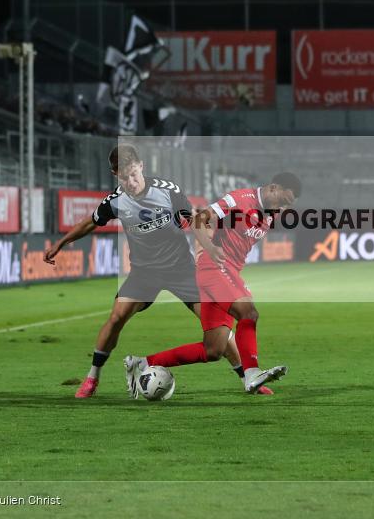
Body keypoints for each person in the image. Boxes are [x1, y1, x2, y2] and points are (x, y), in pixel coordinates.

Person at [44, 144, 255, 398]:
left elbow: (194, 220)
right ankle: (92, 378)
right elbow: (90, 222)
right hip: (144, 273)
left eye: (134, 174)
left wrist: (209, 247)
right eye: (124, 177)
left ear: (141, 166)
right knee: (116, 317)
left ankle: (246, 378)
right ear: (115, 175)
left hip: (181, 269)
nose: (131, 181)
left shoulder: (168, 191)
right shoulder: (116, 201)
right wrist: (60, 243)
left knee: (215, 325)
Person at [124, 173, 301, 394]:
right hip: (215, 267)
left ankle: (140, 363)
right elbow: (198, 218)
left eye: (287, 205)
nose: (283, 208)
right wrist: (208, 247)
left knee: (213, 349)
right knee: (249, 313)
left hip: (226, 271)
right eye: (283, 201)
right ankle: (252, 373)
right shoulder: (238, 199)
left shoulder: (270, 214)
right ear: (273, 188)